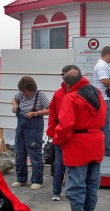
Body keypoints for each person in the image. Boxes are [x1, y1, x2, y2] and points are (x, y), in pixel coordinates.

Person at [54, 66, 107, 211]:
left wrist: (58, 141)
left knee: (76, 185)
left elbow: (64, 127)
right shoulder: (98, 94)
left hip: (78, 144)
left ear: (68, 85)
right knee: (92, 184)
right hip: (96, 141)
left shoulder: (71, 98)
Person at [11, 76, 50, 190]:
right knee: (20, 152)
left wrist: (35, 113)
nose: (23, 93)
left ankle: (37, 180)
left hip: (34, 127)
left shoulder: (40, 95)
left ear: (32, 89)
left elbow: (51, 109)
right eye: (22, 91)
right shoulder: (21, 93)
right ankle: (21, 179)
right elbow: (14, 99)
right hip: (21, 126)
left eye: (26, 91)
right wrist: (14, 106)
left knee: (34, 153)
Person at [46, 65, 76, 201]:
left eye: (66, 75)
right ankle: (56, 192)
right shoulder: (58, 93)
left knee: (75, 165)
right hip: (59, 134)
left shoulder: (82, 92)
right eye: (62, 75)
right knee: (58, 165)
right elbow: (52, 113)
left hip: (76, 135)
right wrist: (50, 131)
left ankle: (73, 191)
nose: (64, 77)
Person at [92, 46, 110, 157]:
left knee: (107, 123)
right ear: (108, 54)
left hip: (105, 98)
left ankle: (105, 147)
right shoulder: (101, 66)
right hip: (105, 98)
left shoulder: (104, 66)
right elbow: (104, 80)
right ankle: (108, 148)